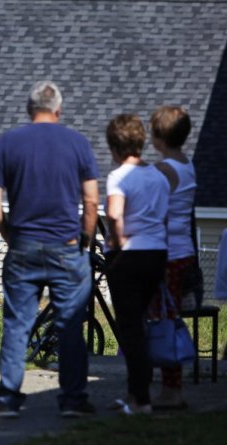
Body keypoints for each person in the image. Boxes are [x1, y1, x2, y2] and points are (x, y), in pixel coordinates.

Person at [0, 80, 99, 418]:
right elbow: (91, 199)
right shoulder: (78, 144)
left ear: (28, 109)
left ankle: (7, 399)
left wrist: (7, 231)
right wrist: (85, 239)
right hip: (66, 246)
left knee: (18, 322)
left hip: (23, 246)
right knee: (70, 324)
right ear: (58, 110)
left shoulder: (10, 142)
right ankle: (73, 401)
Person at [104, 114, 169, 415]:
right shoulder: (159, 175)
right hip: (157, 254)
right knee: (142, 323)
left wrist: (116, 246)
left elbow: (115, 215)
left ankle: (139, 399)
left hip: (129, 256)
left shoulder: (119, 176)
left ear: (115, 147)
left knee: (130, 330)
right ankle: (138, 393)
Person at [148, 106, 196, 410]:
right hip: (184, 252)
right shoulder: (186, 164)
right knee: (170, 316)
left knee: (163, 320)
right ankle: (171, 385)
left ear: (158, 136)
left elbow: (155, 212)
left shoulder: (164, 170)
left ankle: (171, 390)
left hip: (167, 255)